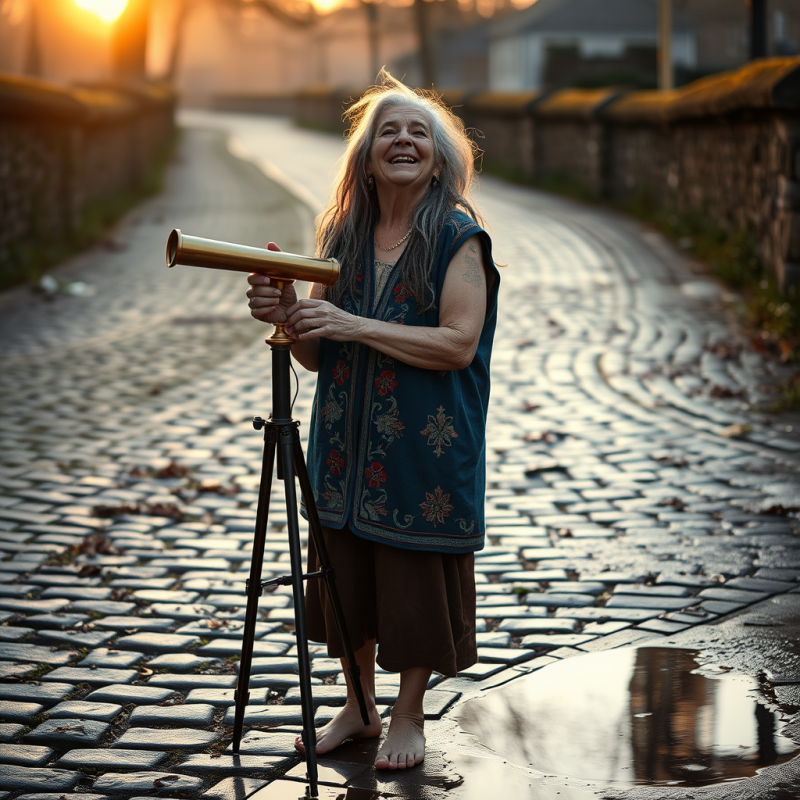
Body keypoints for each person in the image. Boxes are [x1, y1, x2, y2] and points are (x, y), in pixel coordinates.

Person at [246, 70, 499, 771]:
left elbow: (458, 342)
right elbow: (317, 354)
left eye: (419, 131)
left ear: (441, 157)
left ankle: (408, 714)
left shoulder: (458, 237)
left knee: (414, 576)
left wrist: (353, 323)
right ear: (365, 153)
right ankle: (358, 706)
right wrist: (288, 312)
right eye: (389, 129)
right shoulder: (342, 233)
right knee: (348, 572)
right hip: (344, 446)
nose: (404, 140)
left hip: (426, 445)